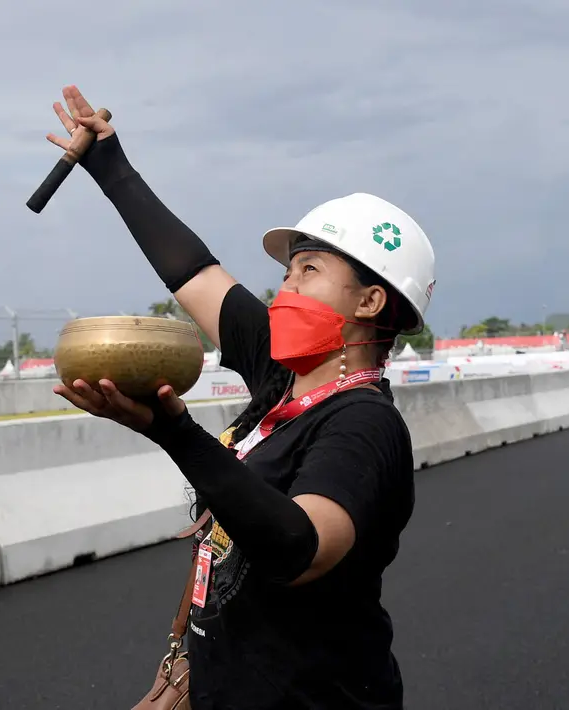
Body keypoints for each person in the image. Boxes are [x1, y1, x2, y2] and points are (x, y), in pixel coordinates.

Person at [48, 85, 436, 710]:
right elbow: (194, 272)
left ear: (369, 302)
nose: (284, 289)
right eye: (287, 272)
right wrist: (109, 165)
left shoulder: (363, 424)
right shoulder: (281, 376)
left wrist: (174, 432)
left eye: (308, 271)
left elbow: (299, 547)